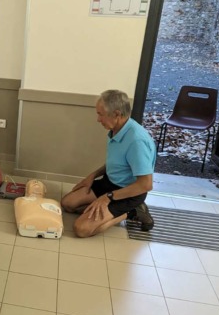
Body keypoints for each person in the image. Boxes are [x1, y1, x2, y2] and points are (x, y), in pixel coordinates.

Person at [61, 90, 156, 238]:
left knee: (81, 229)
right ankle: (104, 210)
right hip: (110, 184)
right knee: (68, 203)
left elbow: (146, 185)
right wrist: (92, 176)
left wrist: (107, 198)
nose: (98, 119)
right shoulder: (116, 130)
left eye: (101, 114)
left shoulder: (137, 141)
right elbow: (118, 163)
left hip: (128, 193)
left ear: (117, 114)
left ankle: (133, 211)